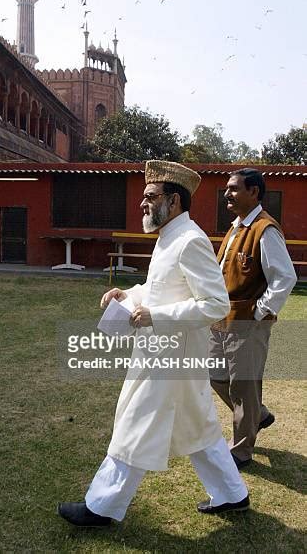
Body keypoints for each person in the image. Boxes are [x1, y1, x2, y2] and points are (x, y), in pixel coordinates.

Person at [58, 160, 250, 527]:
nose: (142, 204)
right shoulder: (169, 237)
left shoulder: (190, 240)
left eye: (150, 197)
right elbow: (159, 290)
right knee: (200, 427)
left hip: (169, 359)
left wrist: (156, 317)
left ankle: (101, 506)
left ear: (174, 201)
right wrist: (127, 294)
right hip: (167, 356)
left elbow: (215, 304)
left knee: (133, 423)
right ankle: (232, 495)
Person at [209, 168, 297, 469]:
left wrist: (259, 312)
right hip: (222, 318)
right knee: (215, 375)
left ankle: (241, 450)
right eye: (226, 189)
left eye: (234, 189)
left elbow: (285, 278)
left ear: (254, 192)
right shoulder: (236, 227)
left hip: (247, 322)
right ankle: (258, 415)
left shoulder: (265, 229)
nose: (227, 194)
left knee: (243, 387)